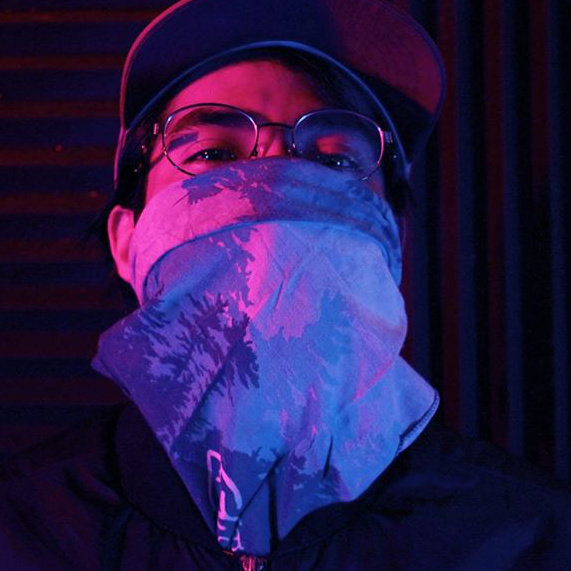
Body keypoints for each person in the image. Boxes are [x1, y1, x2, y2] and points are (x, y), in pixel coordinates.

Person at [1, 0, 570, 569]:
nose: (271, 184)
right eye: (215, 153)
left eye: (333, 162)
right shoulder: (25, 531)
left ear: (391, 240)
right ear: (127, 241)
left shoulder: (526, 539)